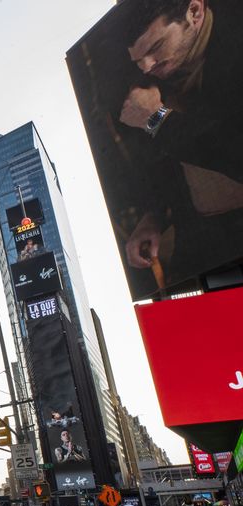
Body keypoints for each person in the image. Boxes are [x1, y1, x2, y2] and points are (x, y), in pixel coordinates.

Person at [116, 0, 243, 290]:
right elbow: (171, 162)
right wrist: (154, 217)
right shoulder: (161, 74)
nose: (147, 66)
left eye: (155, 46)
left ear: (194, 12)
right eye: (138, 60)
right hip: (207, 246)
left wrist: (157, 120)